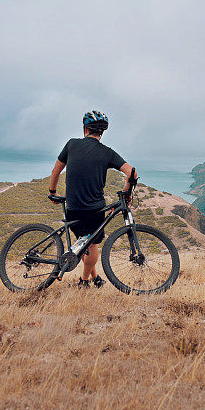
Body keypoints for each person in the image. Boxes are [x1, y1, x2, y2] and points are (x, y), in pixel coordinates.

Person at [48, 110, 137, 288]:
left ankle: (94, 278)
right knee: (92, 245)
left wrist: (52, 191)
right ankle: (84, 281)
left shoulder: (71, 144)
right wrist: (127, 193)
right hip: (95, 209)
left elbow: (56, 171)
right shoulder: (107, 153)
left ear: (85, 129)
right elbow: (132, 173)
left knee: (85, 244)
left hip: (73, 207)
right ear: (102, 132)